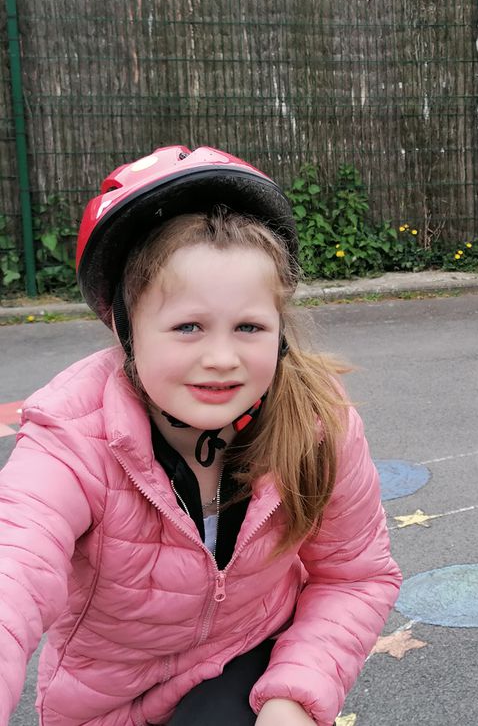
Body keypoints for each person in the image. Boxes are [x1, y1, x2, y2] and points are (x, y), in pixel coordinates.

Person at [0, 146, 402, 725]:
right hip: (107, 705)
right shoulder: (71, 437)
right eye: (188, 326)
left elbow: (355, 573)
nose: (221, 358)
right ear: (125, 326)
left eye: (249, 327)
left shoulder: (317, 423)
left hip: (247, 665)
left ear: (280, 332)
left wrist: (296, 695)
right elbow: (16, 562)